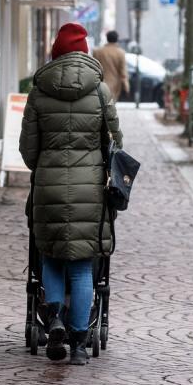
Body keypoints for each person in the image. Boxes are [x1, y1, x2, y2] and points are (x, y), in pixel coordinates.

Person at [20, 23, 123, 365]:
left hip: (48, 186)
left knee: (50, 257)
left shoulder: (38, 92)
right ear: (84, 51)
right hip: (89, 190)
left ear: (55, 52)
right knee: (81, 267)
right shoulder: (99, 92)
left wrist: (46, 163)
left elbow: (28, 150)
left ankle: (54, 320)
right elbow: (115, 143)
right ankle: (78, 342)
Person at [92, 30, 131, 102]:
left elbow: (93, 68)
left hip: (99, 84)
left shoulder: (97, 52)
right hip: (114, 86)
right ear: (117, 39)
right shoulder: (120, 53)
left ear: (107, 38)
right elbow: (123, 72)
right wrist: (126, 87)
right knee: (111, 107)